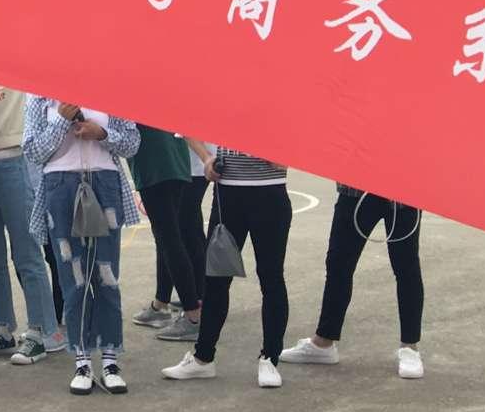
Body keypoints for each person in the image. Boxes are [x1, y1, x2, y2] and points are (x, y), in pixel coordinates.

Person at [25, 96, 140, 397]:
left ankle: (111, 360)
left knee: (107, 276)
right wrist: (61, 120)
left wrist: (101, 134)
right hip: (59, 185)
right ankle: (82, 360)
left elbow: (132, 143)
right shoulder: (39, 96)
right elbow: (33, 151)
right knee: (73, 279)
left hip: (105, 182)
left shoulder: (110, 89)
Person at [162, 146, 293, 389]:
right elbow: (191, 126)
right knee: (215, 278)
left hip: (269, 193)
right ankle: (203, 357)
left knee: (271, 276)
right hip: (227, 194)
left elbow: (301, 143)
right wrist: (206, 158)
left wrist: (283, 156)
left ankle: (270, 358)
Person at [278, 185, 426, 379]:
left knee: (406, 268)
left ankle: (410, 347)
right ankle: (324, 341)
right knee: (338, 263)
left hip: (403, 194)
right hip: (356, 189)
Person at [0, 76, 62, 366]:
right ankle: (3, 328)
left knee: (26, 253)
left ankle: (42, 330)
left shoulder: (15, 70)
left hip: (12, 159)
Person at [129, 125, 203, 344]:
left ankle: (193, 315)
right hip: (176, 162)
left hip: (155, 165)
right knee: (168, 238)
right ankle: (161, 304)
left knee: (169, 240)